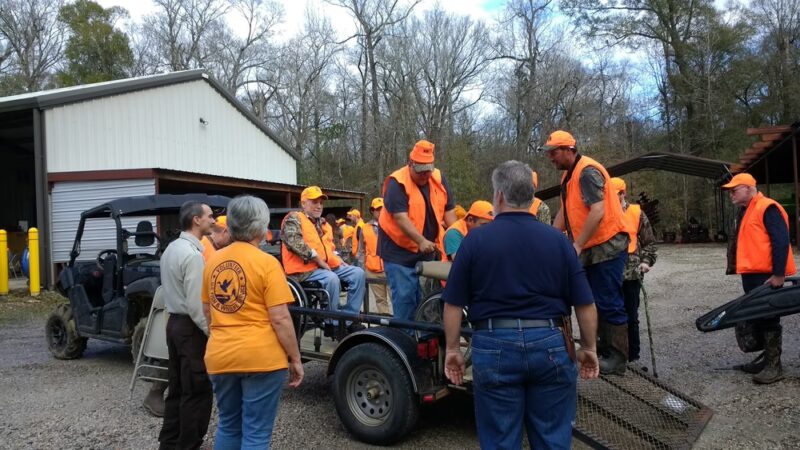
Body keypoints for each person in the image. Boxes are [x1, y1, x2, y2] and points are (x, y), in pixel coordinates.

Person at [443, 160, 599, 450]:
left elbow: (453, 304)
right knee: (553, 438)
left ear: (499, 196)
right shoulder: (559, 241)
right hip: (550, 344)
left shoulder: (475, 240)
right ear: (530, 197)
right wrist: (589, 348)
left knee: (501, 440)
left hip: (493, 344)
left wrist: (453, 350)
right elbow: (585, 303)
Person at [202, 195, 304, 449]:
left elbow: (207, 311)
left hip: (221, 356)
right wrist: (295, 358)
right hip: (262, 358)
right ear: (261, 227)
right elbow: (280, 318)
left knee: (228, 425)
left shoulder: (212, 262)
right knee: (256, 434)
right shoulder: (268, 263)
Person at [543, 130, 630, 375]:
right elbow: (564, 213)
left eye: (554, 152)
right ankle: (601, 349)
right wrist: (547, 239)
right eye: (549, 153)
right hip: (593, 248)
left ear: (569, 149)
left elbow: (598, 211)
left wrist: (577, 243)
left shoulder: (587, 172)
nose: (551, 157)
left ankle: (618, 358)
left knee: (608, 300)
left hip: (607, 246)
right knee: (593, 301)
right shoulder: (568, 178)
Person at [723, 173, 795, 384]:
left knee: (770, 317)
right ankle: (765, 361)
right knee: (758, 316)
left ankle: (774, 366)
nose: (731, 195)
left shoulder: (767, 207)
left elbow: (780, 241)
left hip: (767, 275)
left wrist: (779, 275)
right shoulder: (747, 211)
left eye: (734, 190)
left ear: (748, 188)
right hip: (753, 274)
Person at [378, 139, 457, 323]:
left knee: (428, 305)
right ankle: (406, 346)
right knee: (406, 302)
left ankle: (426, 346)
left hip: (428, 254)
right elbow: (400, 218)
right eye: (420, 171)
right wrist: (421, 241)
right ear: (410, 163)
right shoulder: (397, 182)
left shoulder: (438, 178)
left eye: (427, 171)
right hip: (399, 254)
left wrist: (458, 240)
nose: (424, 176)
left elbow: (449, 213)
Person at [158, 201, 215, 450]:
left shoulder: (171, 249)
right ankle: (189, 445)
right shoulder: (193, 257)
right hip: (190, 329)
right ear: (196, 220)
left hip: (174, 326)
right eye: (210, 216)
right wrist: (212, 334)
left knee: (178, 390)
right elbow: (196, 307)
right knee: (197, 392)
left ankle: (169, 444)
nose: (213, 220)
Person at [281, 186, 366, 337]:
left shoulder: (320, 223)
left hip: (324, 266)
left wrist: (337, 259)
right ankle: (332, 323)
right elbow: (293, 242)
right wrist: (318, 260)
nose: (319, 205)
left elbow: (328, 246)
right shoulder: (293, 219)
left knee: (358, 273)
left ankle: (348, 319)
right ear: (303, 203)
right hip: (303, 271)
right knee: (331, 279)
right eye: (314, 202)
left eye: (320, 202)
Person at [610, 177, 657, 363]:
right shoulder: (601, 213)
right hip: (608, 273)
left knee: (631, 316)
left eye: (614, 195)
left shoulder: (637, 213)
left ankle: (632, 356)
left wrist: (646, 262)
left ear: (623, 194)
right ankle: (612, 352)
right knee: (608, 314)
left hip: (631, 273)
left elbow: (650, 243)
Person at [357, 198, 393, 315]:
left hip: (390, 269)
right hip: (372, 270)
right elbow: (361, 251)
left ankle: (400, 326)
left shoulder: (394, 226)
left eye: (383, 209)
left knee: (397, 299)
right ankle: (386, 323)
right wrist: (362, 269)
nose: (381, 212)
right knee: (380, 300)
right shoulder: (365, 228)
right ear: (372, 211)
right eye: (378, 209)